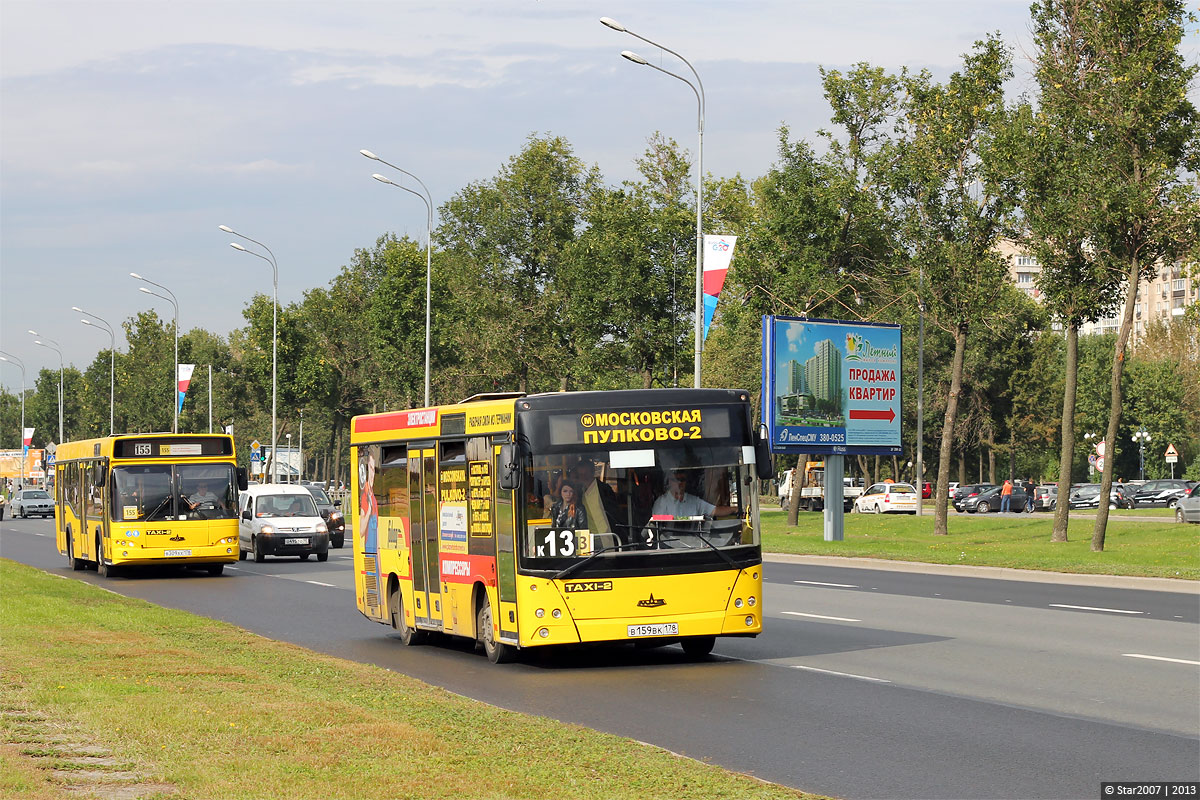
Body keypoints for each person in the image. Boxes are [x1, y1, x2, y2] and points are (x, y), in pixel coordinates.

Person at [651, 471, 733, 519]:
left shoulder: (695, 501)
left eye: (682, 480)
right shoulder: (661, 503)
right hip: (669, 546)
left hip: (694, 546)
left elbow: (715, 511)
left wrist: (736, 509)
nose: (679, 483)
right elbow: (658, 526)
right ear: (669, 482)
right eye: (676, 480)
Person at [570, 460, 619, 532]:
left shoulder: (603, 490)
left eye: (580, 475)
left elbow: (613, 514)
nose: (578, 478)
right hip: (587, 536)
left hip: (604, 535)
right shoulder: (581, 491)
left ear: (589, 473)